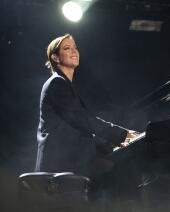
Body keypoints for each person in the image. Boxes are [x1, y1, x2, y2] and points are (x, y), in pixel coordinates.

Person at [35, 34, 137, 177]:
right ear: (55, 58)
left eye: (75, 48)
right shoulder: (56, 83)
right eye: (67, 48)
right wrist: (122, 135)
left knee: (114, 171)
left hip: (70, 162)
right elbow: (83, 119)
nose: (74, 51)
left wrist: (111, 145)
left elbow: (80, 128)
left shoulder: (64, 84)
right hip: (58, 167)